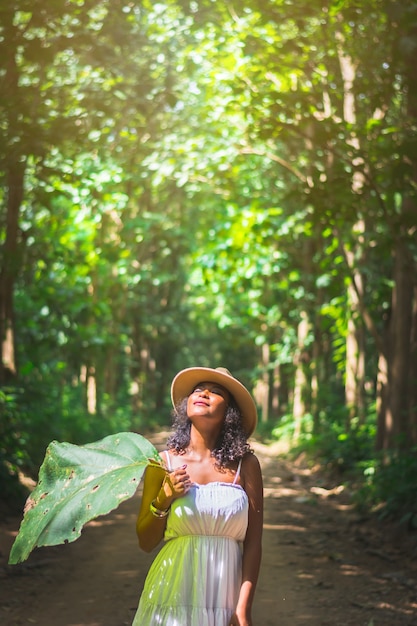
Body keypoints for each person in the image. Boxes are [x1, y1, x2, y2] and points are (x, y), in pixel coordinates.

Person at [132, 366, 263, 626]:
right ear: (187, 404)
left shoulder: (245, 465)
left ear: (230, 413)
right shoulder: (161, 463)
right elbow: (146, 542)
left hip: (224, 595)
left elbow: (254, 543)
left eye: (215, 392)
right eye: (197, 389)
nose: (204, 393)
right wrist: (164, 499)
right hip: (171, 593)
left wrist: (243, 608)